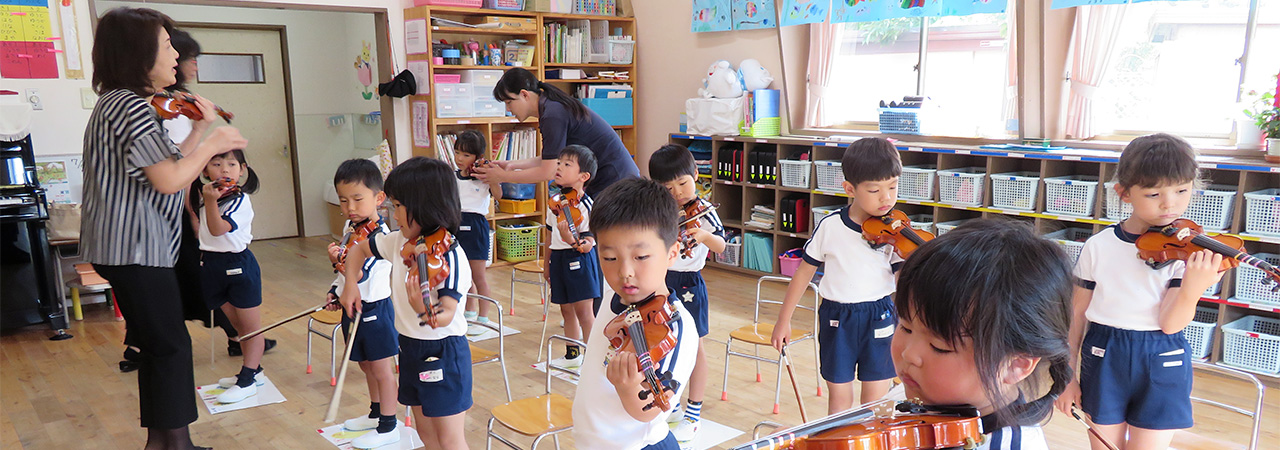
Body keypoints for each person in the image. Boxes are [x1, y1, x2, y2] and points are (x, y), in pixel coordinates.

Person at [82, 7, 245, 449]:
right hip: (134, 248)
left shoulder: (122, 104)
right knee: (170, 347)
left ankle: (166, 444)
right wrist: (213, 141)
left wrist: (195, 129)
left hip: (135, 246)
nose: (175, 53)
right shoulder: (130, 107)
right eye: (168, 43)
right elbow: (170, 181)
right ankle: (175, 446)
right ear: (139, 52)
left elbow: (172, 166)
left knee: (160, 345)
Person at [1055, 133, 1223, 450]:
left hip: (1162, 353)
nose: (1169, 203)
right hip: (1104, 352)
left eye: (1182, 190)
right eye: (1153, 193)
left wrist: (1194, 287)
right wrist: (1065, 376)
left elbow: (1171, 324)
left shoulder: (1186, 253)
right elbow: (1075, 314)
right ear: (1124, 193)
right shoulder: (1099, 246)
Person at [889, 219, 1075, 450]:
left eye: (939, 346)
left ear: (1015, 365)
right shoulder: (914, 394)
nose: (909, 354)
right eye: (905, 327)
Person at [339, 157, 472, 450]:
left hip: (443, 352)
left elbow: (446, 315)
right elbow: (358, 251)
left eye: (398, 206)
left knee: (450, 439)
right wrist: (350, 284)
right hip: (410, 346)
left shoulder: (450, 255)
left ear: (424, 205)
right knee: (426, 435)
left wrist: (422, 307)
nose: (393, 215)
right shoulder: (398, 241)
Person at [771, 137, 902, 415]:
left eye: (893, 187)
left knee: (876, 405)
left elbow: (902, 278)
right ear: (849, 189)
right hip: (837, 318)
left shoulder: (895, 231)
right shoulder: (830, 227)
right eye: (875, 190)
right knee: (840, 402)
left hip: (880, 315)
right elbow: (803, 273)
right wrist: (784, 321)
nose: (886, 198)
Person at [572, 178, 699, 450]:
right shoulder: (614, 297)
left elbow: (652, 410)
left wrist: (627, 387)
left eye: (640, 257)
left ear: (672, 253)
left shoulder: (675, 327)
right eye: (609, 258)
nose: (624, 271)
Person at [648, 144, 726, 444]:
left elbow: (722, 246)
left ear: (696, 174)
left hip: (689, 284)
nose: (678, 192)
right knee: (663, 344)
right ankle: (673, 405)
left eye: (683, 183)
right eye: (668, 188)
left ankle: (694, 413)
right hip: (661, 281)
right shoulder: (663, 212)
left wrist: (704, 236)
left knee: (695, 348)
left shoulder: (704, 213)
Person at [322, 159, 400, 449]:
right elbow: (344, 278)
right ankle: (376, 413)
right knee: (366, 365)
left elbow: (359, 272)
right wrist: (334, 291)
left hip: (374, 310)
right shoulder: (350, 227)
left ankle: (390, 424)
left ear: (379, 199)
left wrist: (338, 261)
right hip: (351, 308)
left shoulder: (380, 235)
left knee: (382, 369)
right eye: (344, 201)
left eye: (357, 199)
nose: (350, 207)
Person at [475, 68, 640, 199]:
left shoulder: (552, 114)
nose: (508, 110)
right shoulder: (550, 106)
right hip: (611, 180)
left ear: (524, 94)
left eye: (509, 102)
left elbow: (548, 171)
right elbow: (552, 158)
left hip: (615, 181)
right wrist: (512, 165)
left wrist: (503, 176)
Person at [196, 149, 265, 405]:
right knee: (237, 326)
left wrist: (210, 201)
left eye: (232, 164)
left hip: (237, 264)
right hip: (211, 263)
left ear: (242, 169)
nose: (225, 169)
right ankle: (253, 370)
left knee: (250, 328)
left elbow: (216, 229)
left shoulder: (239, 200)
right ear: (205, 170)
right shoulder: (208, 197)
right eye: (216, 163)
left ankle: (247, 379)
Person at [545, 145, 603, 369]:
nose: (559, 167)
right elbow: (550, 235)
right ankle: (572, 355)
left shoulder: (587, 205)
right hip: (558, 259)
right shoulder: (555, 202)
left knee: (584, 311)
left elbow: (588, 244)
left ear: (583, 176)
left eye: (567, 164)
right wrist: (546, 264)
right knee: (565, 309)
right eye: (559, 162)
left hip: (578, 260)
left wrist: (570, 239)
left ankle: (592, 359)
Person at [450, 130, 502, 336]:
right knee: (464, 274)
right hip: (456, 224)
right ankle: (469, 313)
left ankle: (484, 316)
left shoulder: (483, 177)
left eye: (465, 155)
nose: (459, 159)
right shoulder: (452, 177)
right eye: (457, 153)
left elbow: (498, 195)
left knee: (479, 276)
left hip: (476, 226)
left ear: (478, 157)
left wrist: (493, 178)